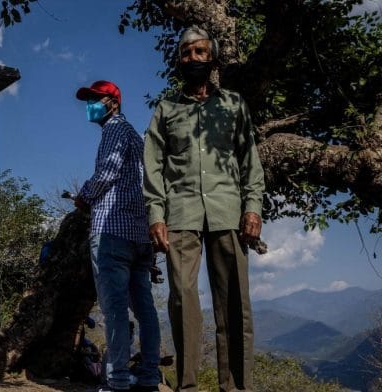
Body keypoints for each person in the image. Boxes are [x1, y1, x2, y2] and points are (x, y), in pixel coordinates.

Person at [143, 26, 265, 392]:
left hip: (229, 213)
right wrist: (156, 215)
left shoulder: (233, 105)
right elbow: (153, 166)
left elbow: (249, 161)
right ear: (178, 60)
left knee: (234, 303)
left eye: (199, 52)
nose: (192, 58)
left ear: (211, 58)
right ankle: (188, 387)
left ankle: (236, 387)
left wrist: (253, 207)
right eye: (186, 53)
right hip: (180, 216)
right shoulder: (166, 110)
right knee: (182, 298)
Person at [75, 80, 161, 392]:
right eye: (88, 100)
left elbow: (106, 173)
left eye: (95, 99)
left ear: (113, 102)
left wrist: (84, 196)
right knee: (145, 310)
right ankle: (150, 377)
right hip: (139, 235)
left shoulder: (113, 130)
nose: (90, 106)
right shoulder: (137, 138)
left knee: (114, 311)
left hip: (112, 231)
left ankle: (117, 381)